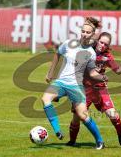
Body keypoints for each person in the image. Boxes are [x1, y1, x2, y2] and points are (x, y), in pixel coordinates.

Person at [42, 17, 107, 150]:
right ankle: (58, 131)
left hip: (76, 86)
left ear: (92, 34)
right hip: (61, 82)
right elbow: (57, 54)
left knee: (83, 115)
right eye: (83, 31)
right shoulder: (68, 43)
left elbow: (92, 73)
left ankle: (100, 141)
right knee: (45, 98)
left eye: (87, 32)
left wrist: (103, 77)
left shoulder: (91, 53)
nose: (84, 34)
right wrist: (50, 73)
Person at [66, 32, 121, 147]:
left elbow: (118, 71)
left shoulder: (107, 57)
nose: (103, 45)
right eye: (101, 42)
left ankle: (120, 134)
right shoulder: (88, 50)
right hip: (83, 89)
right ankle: (72, 141)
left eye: (106, 44)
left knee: (112, 114)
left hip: (100, 89)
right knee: (77, 117)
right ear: (97, 40)